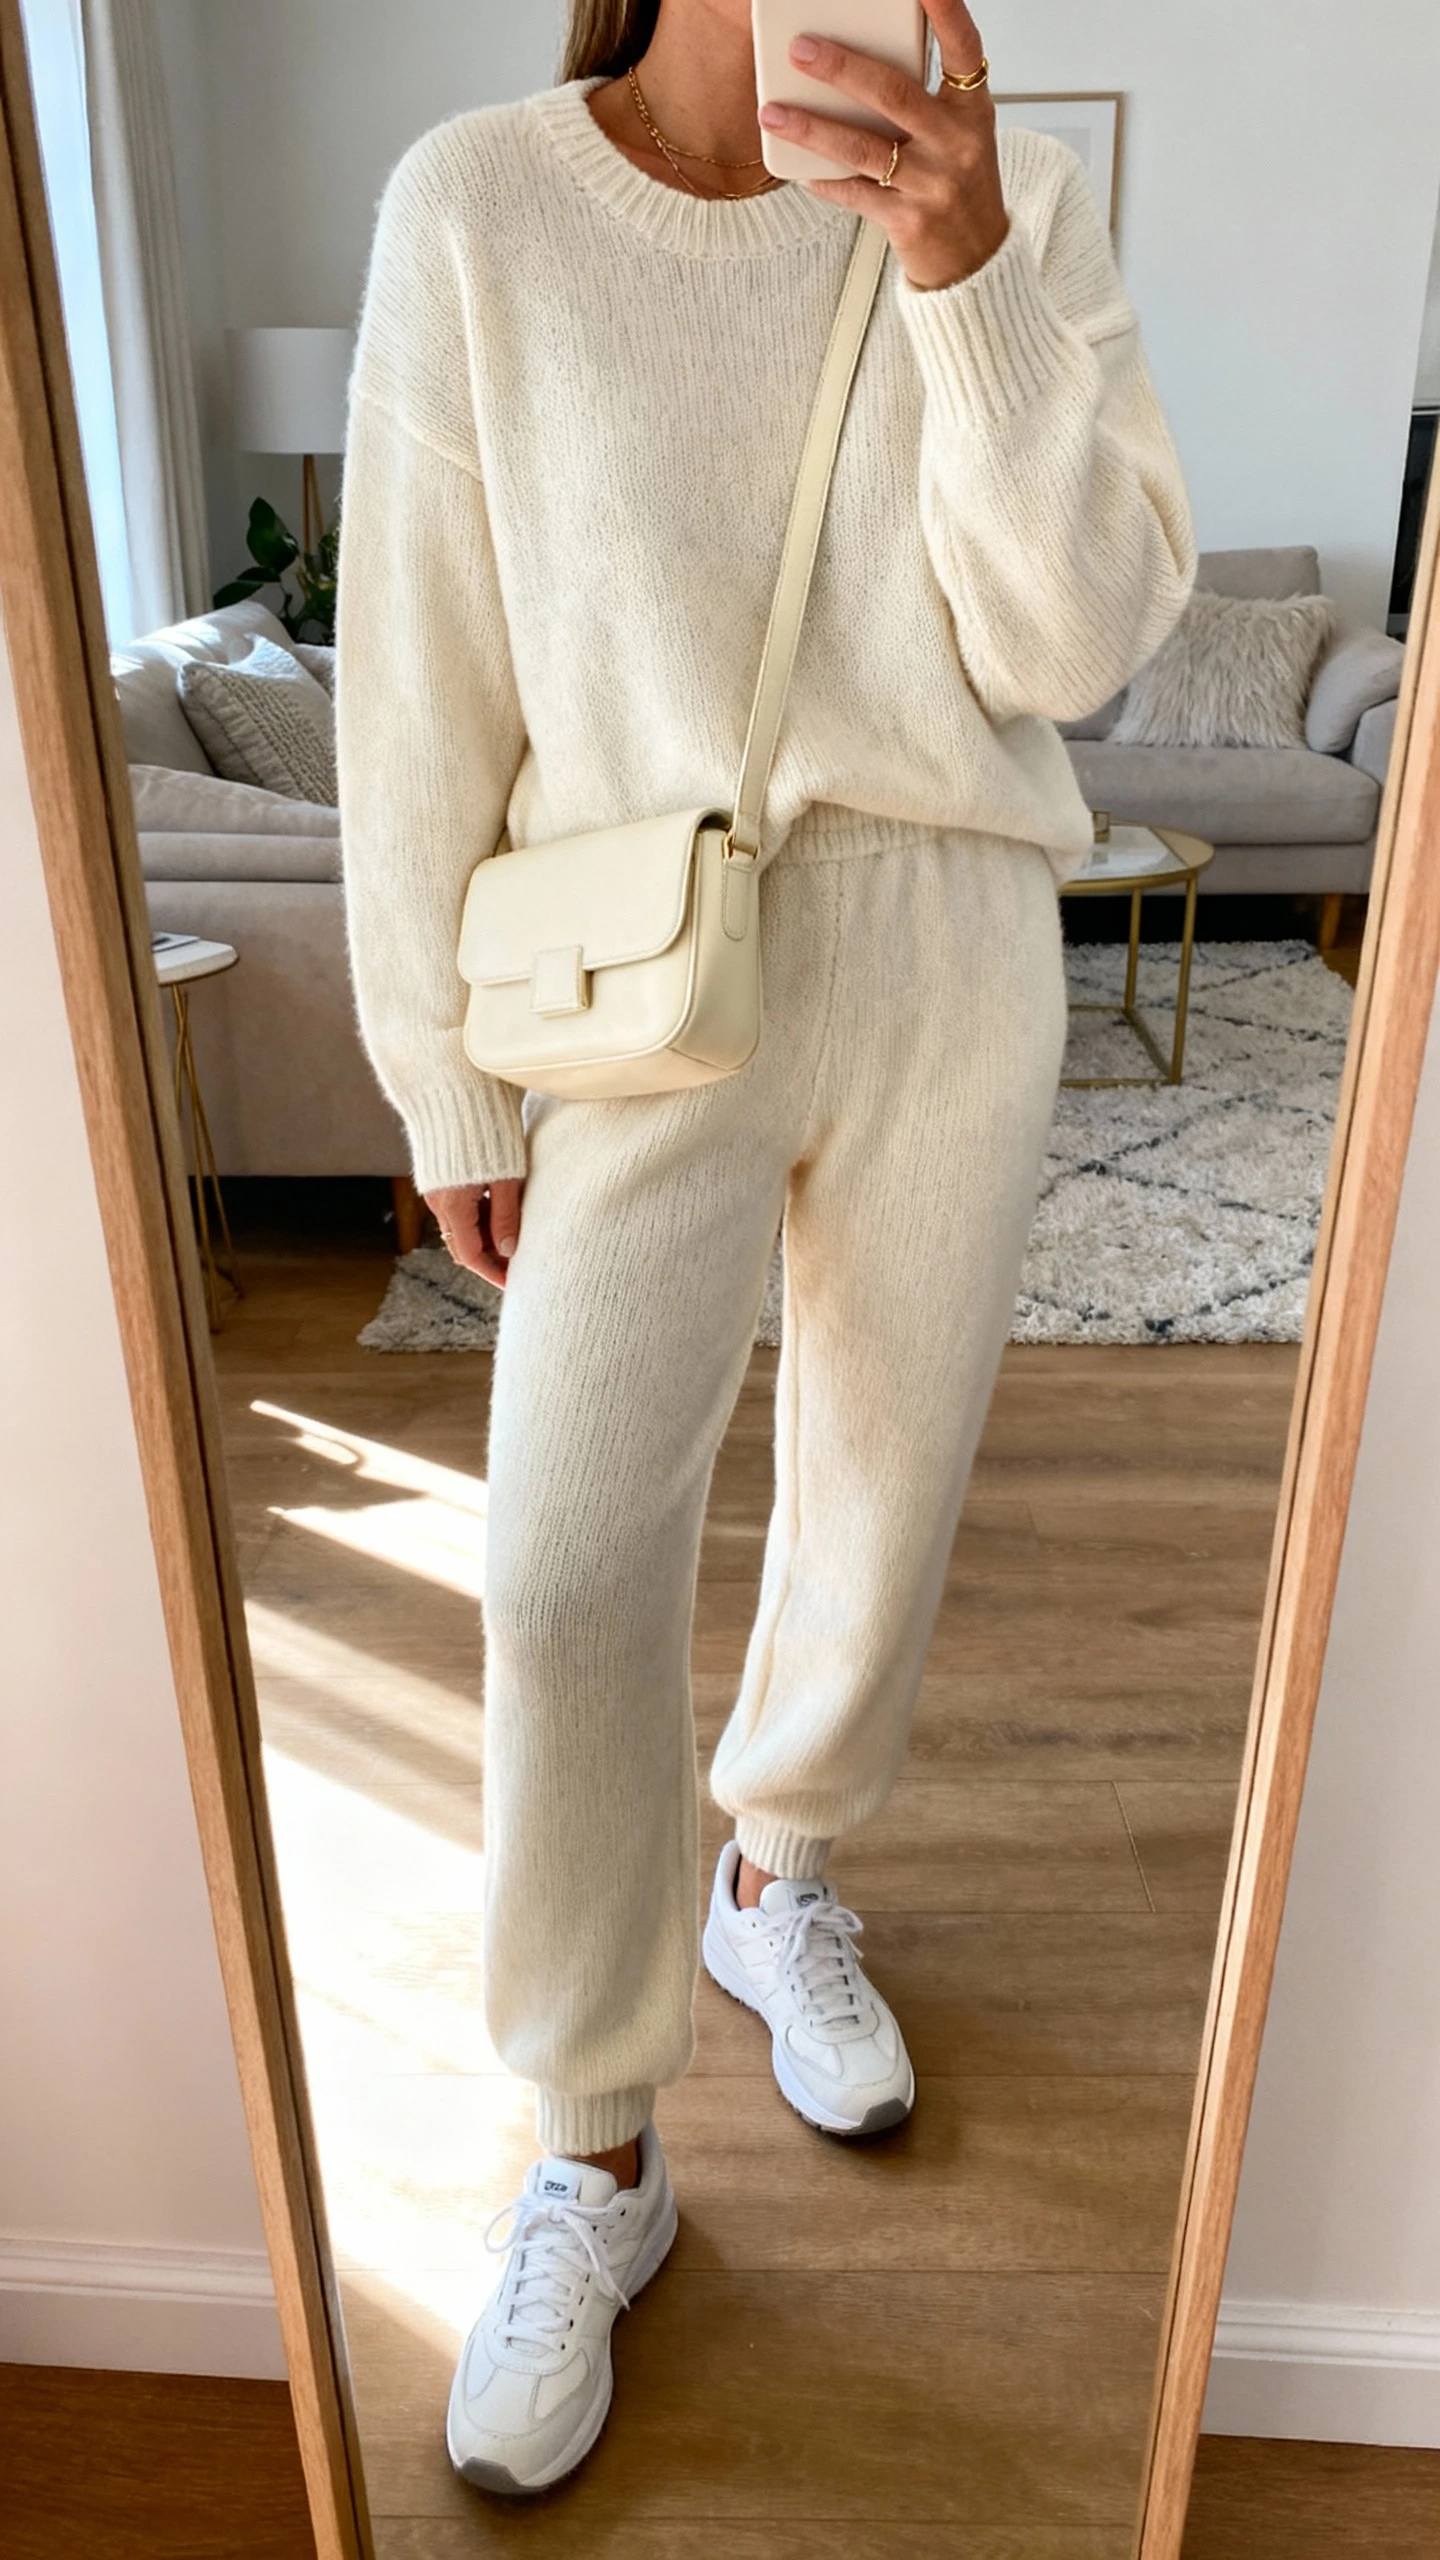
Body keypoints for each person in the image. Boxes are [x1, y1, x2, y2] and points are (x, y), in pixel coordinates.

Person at [336, 0, 1194, 2497]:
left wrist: (963, 267)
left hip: (949, 937)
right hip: (640, 972)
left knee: (885, 1484)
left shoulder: (1010, 202)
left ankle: (782, 1861)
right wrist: (440, 1067)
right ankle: (595, 2149)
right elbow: (421, 672)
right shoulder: (482, 207)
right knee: (566, 1553)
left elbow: (1069, 649)